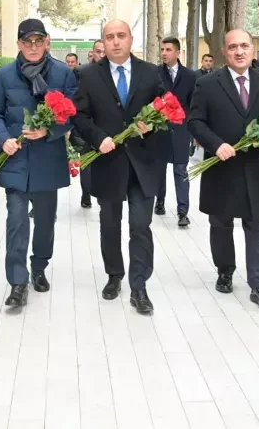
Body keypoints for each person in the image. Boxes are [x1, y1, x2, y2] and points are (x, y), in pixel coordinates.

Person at [0, 18, 78, 308]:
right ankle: (17, 281)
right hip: (15, 159)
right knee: (16, 219)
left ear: (47, 42)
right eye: (28, 42)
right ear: (19, 44)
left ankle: (39, 266)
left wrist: (48, 131)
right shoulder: (3, 76)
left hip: (47, 159)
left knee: (46, 220)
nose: (33, 47)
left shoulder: (63, 74)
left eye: (39, 41)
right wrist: (2, 139)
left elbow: (73, 115)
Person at [74, 20, 165, 314]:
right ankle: (115, 275)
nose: (115, 42)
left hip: (143, 164)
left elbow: (166, 111)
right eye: (110, 37)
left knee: (140, 225)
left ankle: (139, 285)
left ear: (131, 39)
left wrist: (149, 126)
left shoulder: (151, 74)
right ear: (104, 41)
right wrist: (98, 138)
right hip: (108, 162)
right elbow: (80, 115)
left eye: (121, 36)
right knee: (109, 224)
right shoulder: (88, 75)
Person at [188, 29, 259, 308]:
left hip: (256, 168)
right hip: (222, 166)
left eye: (244, 46)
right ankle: (225, 271)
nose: (239, 51)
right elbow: (195, 122)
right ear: (224, 52)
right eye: (233, 47)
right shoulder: (207, 84)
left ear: (253, 50)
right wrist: (216, 145)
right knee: (221, 223)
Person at [155, 37, 196, 227]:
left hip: (181, 130)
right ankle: (160, 202)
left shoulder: (190, 76)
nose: (164, 53)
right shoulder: (155, 73)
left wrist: (194, 131)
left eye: (168, 49)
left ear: (178, 53)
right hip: (160, 130)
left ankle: (182, 212)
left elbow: (194, 105)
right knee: (160, 169)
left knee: (180, 170)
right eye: (162, 49)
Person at [72, 39, 107, 209]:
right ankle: (86, 193)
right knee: (86, 162)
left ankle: (101, 192)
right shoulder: (81, 71)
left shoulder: (112, 72)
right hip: (85, 126)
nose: (101, 54)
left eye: (103, 51)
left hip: (105, 127)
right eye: (98, 51)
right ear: (92, 53)